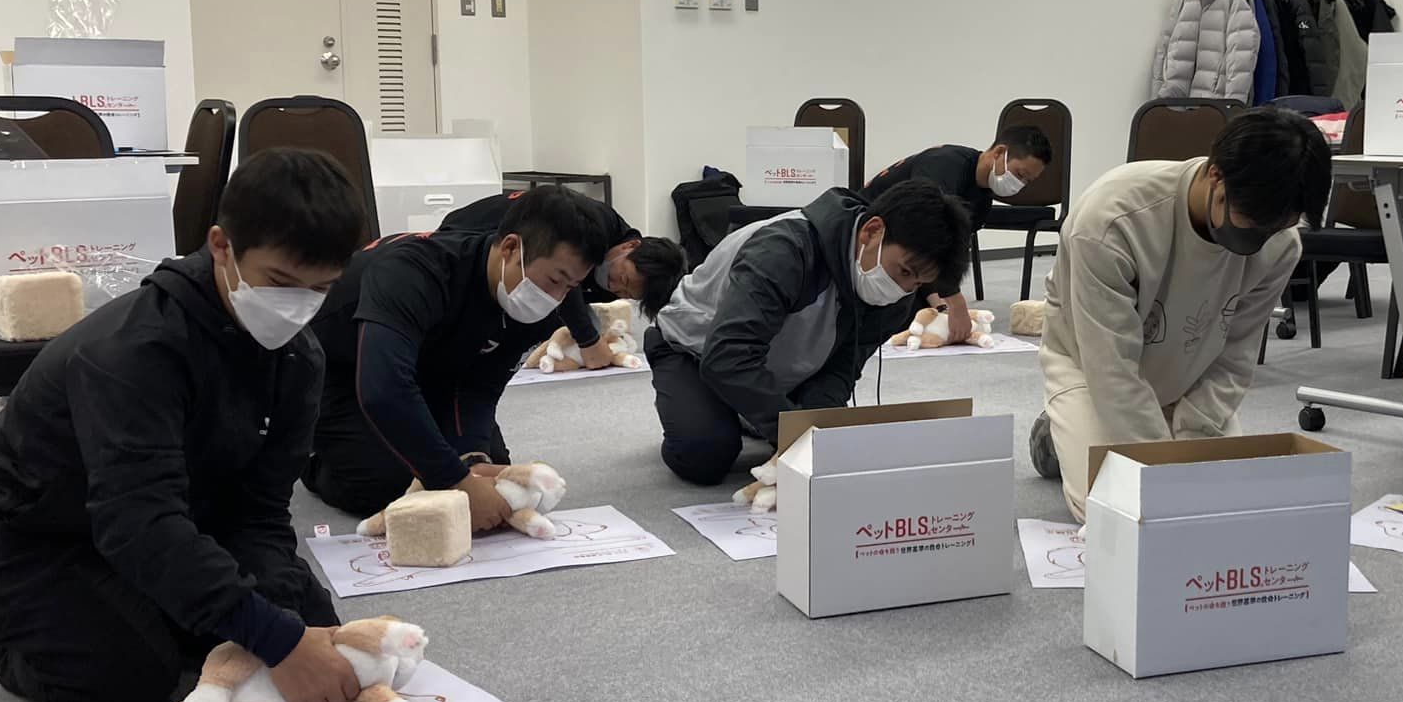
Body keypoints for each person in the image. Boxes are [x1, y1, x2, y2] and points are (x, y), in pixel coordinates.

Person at [0, 150, 369, 702]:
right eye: (280, 282)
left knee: (313, 630)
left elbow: (259, 512)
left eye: (320, 289)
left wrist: (287, 627)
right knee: (130, 682)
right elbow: (136, 522)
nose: (296, 308)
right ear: (221, 246)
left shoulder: (299, 358)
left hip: (176, 511)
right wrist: (277, 641)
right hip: (40, 531)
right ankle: (4, 626)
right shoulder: (134, 351)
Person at [1030, 106, 1331, 522]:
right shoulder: (1111, 220)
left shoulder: (1281, 244)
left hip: (1188, 377)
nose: (1259, 240)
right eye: (1250, 221)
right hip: (1089, 369)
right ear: (1215, 175)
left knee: (1225, 506)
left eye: (1276, 227)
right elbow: (1110, 367)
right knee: (1115, 513)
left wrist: (1195, 432)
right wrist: (1165, 464)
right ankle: (1058, 430)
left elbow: (1236, 355)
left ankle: (1091, 432)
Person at [303, 186, 607, 526]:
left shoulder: (535, 303)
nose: (556, 297)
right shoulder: (413, 271)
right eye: (554, 280)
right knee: (392, 484)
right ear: (510, 248)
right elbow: (383, 388)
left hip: (429, 365)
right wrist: (455, 480)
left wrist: (472, 460)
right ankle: (315, 461)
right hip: (343, 368)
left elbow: (480, 386)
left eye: (570, 287)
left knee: (492, 466)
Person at [646, 179, 972, 484]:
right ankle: (720, 406)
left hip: (777, 359)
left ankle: (748, 409)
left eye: (919, 283)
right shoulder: (783, 251)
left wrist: (810, 427)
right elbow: (727, 356)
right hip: (693, 348)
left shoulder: (895, 291)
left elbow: (841, 369)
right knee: (704, 454)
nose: (904, 288)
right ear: (872, 231)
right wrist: (795, 435)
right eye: (905, 271)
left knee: (826, 437)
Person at [440, 188, 684, 366]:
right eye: (625, 279)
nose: (615, 287)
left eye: (626, 293)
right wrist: (588, 341)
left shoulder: (607, 280)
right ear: (630, 246)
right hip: (470, 233)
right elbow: (565, 286)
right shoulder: (595, 224)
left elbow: (560, 297)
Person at [863, 126, 1051, 344]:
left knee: (926, 320)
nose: (1020, 185)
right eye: (1019, 174)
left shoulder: (981, 201)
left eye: (1027, 181)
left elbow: (949, 254)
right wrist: (954, 302)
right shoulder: (944, 165)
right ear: (999, 152)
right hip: (872, 239)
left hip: (906, 246)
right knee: (895, 319)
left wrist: (941, 305)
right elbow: (924, 235)